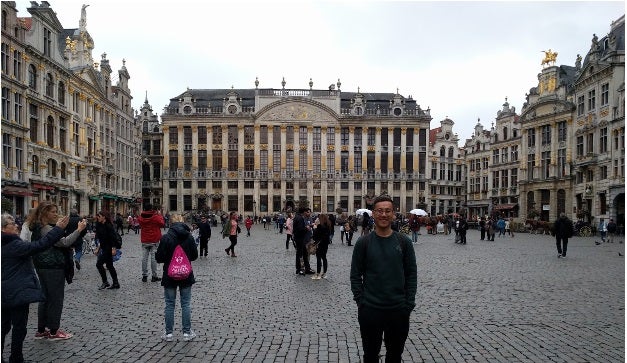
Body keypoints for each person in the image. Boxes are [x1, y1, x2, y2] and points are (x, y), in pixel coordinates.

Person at [350, 195, 417, 363]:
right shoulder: (363, 243)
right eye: (380, 211)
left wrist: (408, 304)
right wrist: (361, 301)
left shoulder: (404, 242)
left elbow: (411, 275)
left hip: (398, 310)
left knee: (394, 356)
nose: (384, 215)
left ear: (393, 214)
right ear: (373, 214)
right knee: (370, 356)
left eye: (388, 211)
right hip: (370, 310)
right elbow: (355, 275)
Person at [1, 213, 70, 363]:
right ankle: (16, 357)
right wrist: (57, 229)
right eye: (12, 224)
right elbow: (40, 245)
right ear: (3, 229)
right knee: (18, 327)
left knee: (4, 325)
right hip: (17, 292)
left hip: (4, 292)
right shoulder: (14, 245)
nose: (16, 226)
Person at [30, 201, 87, 340]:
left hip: (42, 265)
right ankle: (54, 331)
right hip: (53, 266)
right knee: (55, 298)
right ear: (45, 213)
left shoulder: (39, 227)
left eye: (56, 211)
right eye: (53, 211)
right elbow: (65, 242)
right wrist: (79, 229)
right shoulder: (46, 229)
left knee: (44, 297)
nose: (56, 214)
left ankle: (41, 329)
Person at [155, 214, 199, 342]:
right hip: (185, 275)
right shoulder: (189, 237)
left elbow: (159, 258)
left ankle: (168, 334)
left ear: (171, 223)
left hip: (170, 275)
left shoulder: (166, 237)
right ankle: (187, 333)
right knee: (185, 304)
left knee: (169, 304)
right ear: (183, 222)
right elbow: (195, 256)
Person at [93, 210, 121, 290]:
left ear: (104, 217)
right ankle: (116, 283)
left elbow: (113, 238)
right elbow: (101, 239)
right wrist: (98, 248)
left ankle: (105, 282)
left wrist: (113, 248)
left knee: (99, 264)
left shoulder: (109, 226)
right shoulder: (99, 225)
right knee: (109, 265)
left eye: (99, 216)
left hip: (109, 248)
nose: (98, 217)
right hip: (104, 247)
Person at [138, 204, 165, 282]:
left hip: (145, 240)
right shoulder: (156, 217)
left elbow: (140, 223)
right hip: (154, 239)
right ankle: (154, 275)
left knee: (144, 258)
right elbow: (162, 224)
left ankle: (144, 275)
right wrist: (160, 215)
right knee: (154, 258)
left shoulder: (141, 217)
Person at [293, 207, 314, 275]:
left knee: (304, 254)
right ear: (304, 212)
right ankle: (299, 269)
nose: (307, 213)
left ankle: (307, 268)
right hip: (300, 239)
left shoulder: (297, 217)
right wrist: (306, 228)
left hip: (299, 238)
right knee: (299, 254)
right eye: (306, 211)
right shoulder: (300, 218)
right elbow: (300, 230)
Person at [311, 214, 332, 280]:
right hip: (325, 244)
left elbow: (315, 236)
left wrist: (315, 228)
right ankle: (324, 273)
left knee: (318, 258)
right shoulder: (328, 225)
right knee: (324, 257)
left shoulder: (320, 226)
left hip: (319, 244)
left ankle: (318, 273)